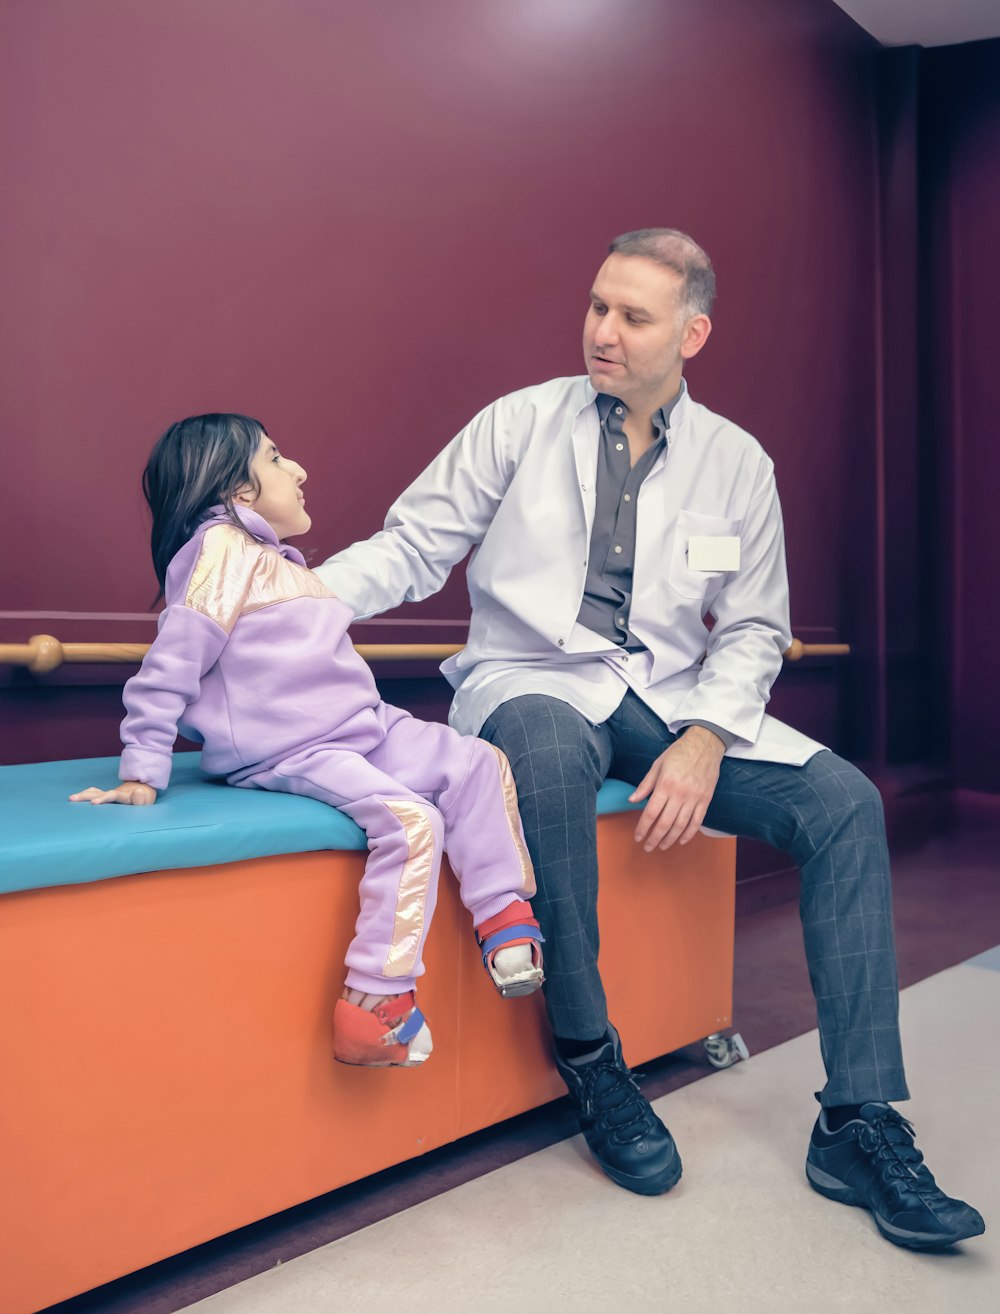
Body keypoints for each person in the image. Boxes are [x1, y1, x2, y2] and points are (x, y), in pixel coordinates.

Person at [317, 229, 985, 1249]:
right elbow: (414, 546)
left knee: (843, 802)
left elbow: (757, 624)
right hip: (529, 679)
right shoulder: (517, 424)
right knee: (537, 753)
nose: (603, 332)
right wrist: (287, 607)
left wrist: (711, 733)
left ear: (692, 332)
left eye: (632, 316)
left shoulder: (735, 462)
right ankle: (591, 1059)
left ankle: (857, 1121)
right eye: (596, 307)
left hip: (671, 700)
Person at [70, 414, 543, 1068]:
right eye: (275, 457)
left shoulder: (281, 565)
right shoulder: (219, 552)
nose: (298, 470)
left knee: (476, 761)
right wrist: (142, 768)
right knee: (412, 822)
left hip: (363, 728)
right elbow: (171, 662)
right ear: (237, 491)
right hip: (295, 748)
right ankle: (375, 1000)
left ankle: (503, 915)